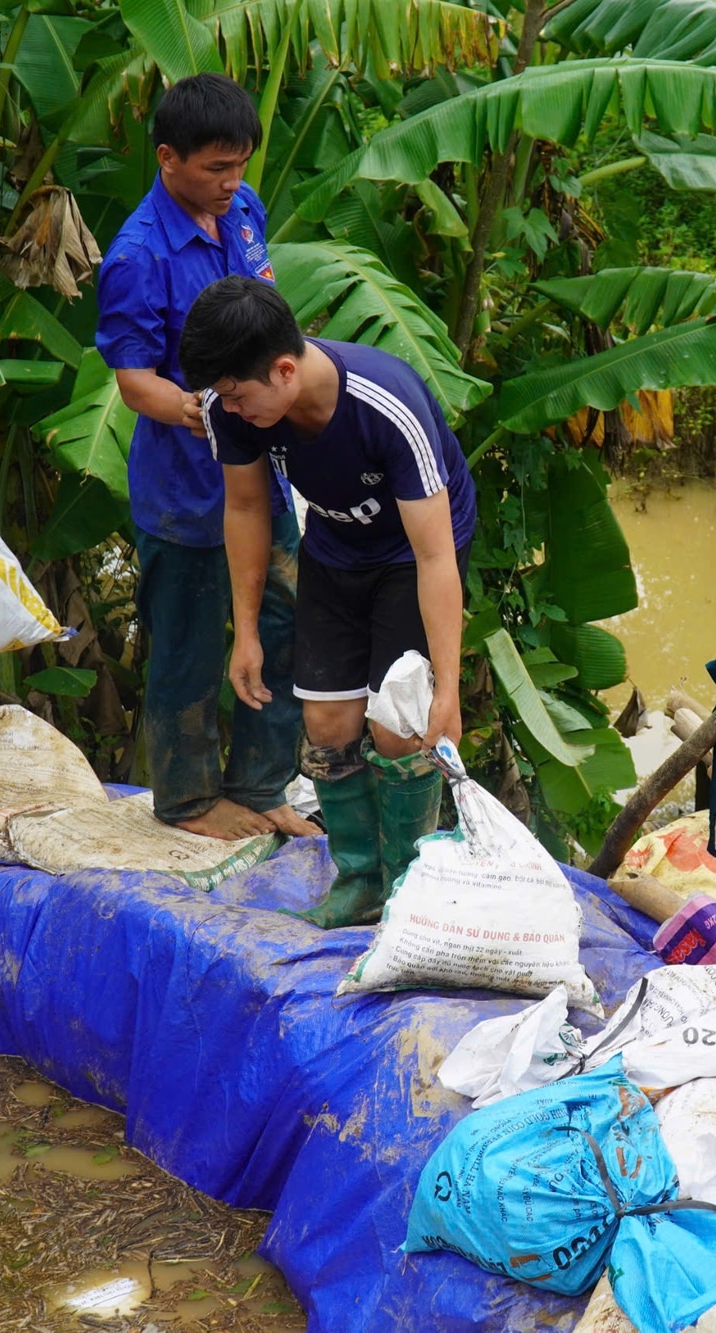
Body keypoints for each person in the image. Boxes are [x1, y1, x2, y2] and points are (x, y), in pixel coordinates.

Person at [178, 277, 476, 928]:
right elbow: (249, 505)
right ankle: (361, 881)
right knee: (328, 726)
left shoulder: (384, 402)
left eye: (236, 394)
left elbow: (434, 556)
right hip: (335, 548)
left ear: (285, 370)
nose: (227, 408)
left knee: (400, 727)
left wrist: (447, 688)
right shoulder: (234, 409)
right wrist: (247, 630)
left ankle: (408, 889)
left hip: (414, 555)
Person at [95, 73, 310, 841]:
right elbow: (132, 381)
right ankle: (187, 797)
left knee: (282, 627)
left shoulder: (243, 212)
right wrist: (199, 411)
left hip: (267, 477)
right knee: (186, 645)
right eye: (216, 169)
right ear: (167, 159)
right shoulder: (137, 255)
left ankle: (262, 783)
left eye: (240, 165)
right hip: (186, 492)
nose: (232, 183)